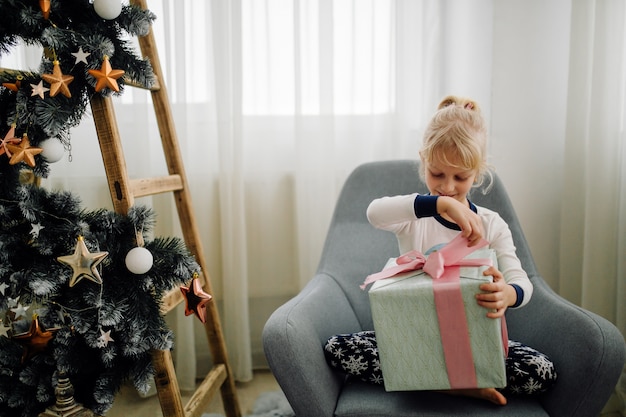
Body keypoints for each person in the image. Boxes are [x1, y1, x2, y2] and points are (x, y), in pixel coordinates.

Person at [323, 95, 557, 405]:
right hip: (412, 340)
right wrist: (438, 204)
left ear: (478, 171)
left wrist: (508, 293)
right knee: (337, 349)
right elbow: (374, 213)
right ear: (423, 162)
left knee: (541, 372)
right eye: (437, 174)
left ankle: (418, 379)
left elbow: (523, 281)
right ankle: (448, 382)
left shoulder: (491, 224)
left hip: (475, 345)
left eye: (460, 177)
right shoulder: (413, 218)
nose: (447, 186)